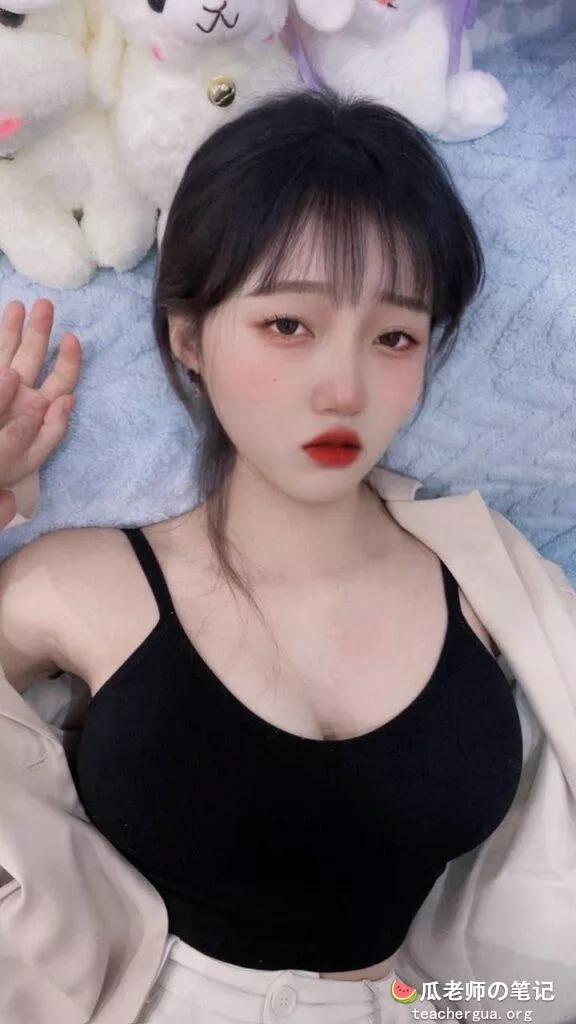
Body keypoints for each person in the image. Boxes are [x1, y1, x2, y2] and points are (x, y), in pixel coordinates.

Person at [0, 90, 572, 1024]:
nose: (344, 387)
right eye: (288, 325)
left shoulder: (490, 585)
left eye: (394, 336)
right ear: (189, 337)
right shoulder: (80, 586)